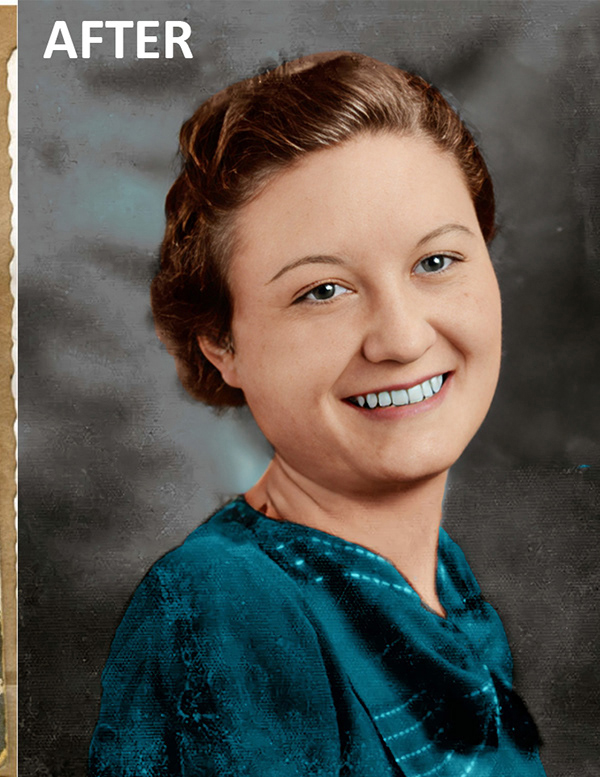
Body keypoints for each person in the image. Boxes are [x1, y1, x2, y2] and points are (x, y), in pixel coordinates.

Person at [89, 52, 546, 776]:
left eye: (435, 262)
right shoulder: (227, 606)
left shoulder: (440, 580)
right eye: (324, 291)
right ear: (222, 344)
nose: (403, 339)